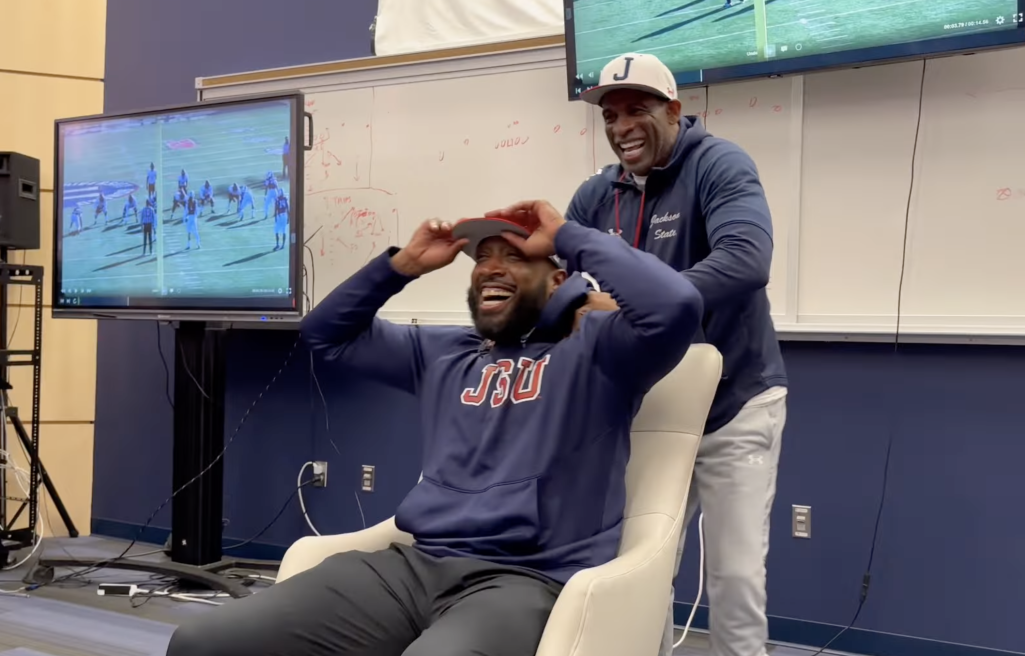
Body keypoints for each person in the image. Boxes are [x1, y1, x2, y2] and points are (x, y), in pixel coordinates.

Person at [165, 201, 703, 656]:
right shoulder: (444, 352)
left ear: (558, 278)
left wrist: (566, 234)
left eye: (514, 256)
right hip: (412, 567)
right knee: (201, 642)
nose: (490, 267)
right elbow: (324, 334)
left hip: (523, 581)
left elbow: (675, 305)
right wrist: (401, 267)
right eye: (482, 258)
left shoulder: (601, 351)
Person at [570, 53, 788, 656]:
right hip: (649, 409)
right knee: (642, 575)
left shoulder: (718, 163)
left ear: (673, 109)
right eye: (610, 115)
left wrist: (640, 302)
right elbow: (563, 285)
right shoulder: (594, 196)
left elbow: (747, 260)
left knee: (735, 579)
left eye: (637, 110)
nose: (621, 127)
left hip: (734, 405)